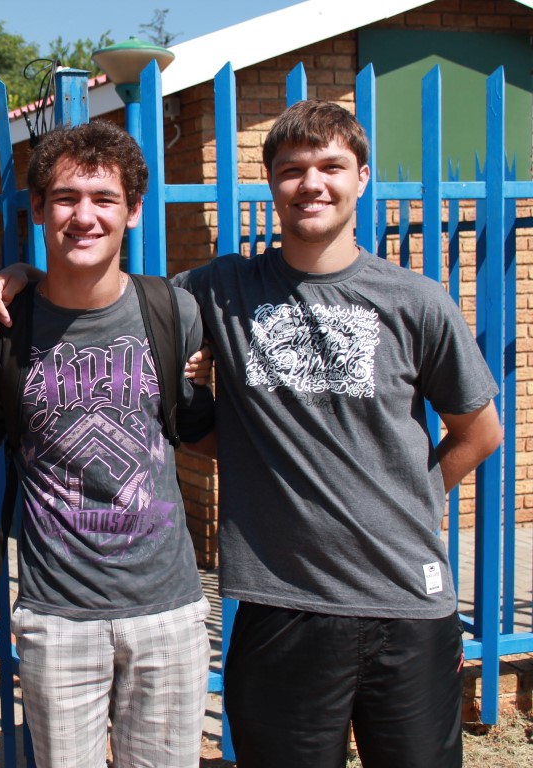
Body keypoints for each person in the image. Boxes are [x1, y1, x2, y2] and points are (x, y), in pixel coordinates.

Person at [170, 100, 503, 767]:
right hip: (281, 605)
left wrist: (412, 497)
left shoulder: (416, 301)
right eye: (293, 169)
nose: (311, 183)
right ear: (271, 183)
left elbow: (480, 432)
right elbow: (111, 301)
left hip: (406, 604)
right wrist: (14, 275)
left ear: (362, 178)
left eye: (331, 166)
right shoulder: (222, 290)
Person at [0, 119, 216, 768]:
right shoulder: (0, 329)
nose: (84, 216)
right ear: (37, 208)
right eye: (66, 198)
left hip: (168, 612)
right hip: (57, 617)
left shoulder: (175, 313)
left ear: (134, 210)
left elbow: (205, 431)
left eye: (104, 198)